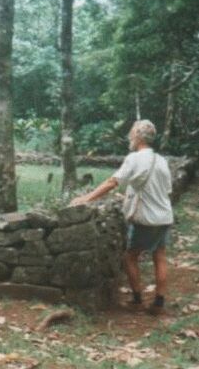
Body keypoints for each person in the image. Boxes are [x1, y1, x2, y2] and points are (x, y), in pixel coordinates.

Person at [70, 120, 174, 316]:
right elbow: (164, 190)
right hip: (164, 216)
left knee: (129, 257)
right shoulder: (161, 160)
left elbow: (113, 182)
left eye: (131, 134)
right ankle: (159, 302)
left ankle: (137, 299)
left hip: (147, 219)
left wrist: (86, 198)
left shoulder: (134, 159)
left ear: (137, 136)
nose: (129, 138)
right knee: (159, 256)